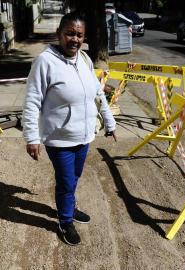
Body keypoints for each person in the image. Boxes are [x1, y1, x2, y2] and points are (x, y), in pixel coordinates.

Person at [22, 12, 117, 245]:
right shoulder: (45, 62)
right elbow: (32, 101)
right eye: (70, 34)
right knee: (66, 182)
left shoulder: (84, 59)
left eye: (79, 35)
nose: (74, 39)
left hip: (83, 136)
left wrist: (110, 122)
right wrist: (31, 137)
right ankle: (65, 221)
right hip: (59, 139)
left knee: (73, 178)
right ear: (59, 34)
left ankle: (69, 207)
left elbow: (97, 94)